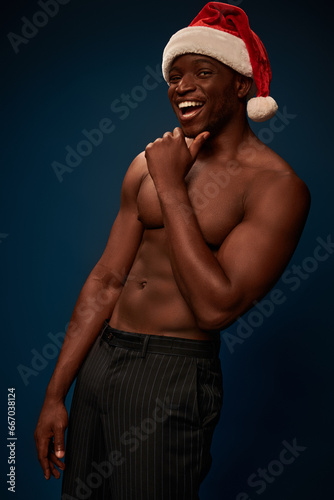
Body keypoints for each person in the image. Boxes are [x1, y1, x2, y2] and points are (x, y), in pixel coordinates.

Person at [34, 2, 310, 499]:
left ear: (241, 85)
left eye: (203, 72)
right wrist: (56, 393)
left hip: (172, 371)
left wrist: (171, 186)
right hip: (102, 360)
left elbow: (215, 306)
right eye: (175, 74)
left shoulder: (275, 186)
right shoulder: (148, 161)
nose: (182, 86)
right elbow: (106, 280)